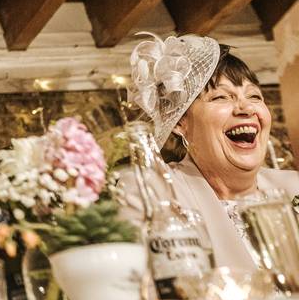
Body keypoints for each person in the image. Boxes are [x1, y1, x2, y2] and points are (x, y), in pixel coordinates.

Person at [119, 34, 299, 269]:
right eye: (221, 97)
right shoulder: (152, 195)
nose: (246, 108)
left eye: (254, 96)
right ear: (180, 123)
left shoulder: (294, 187)